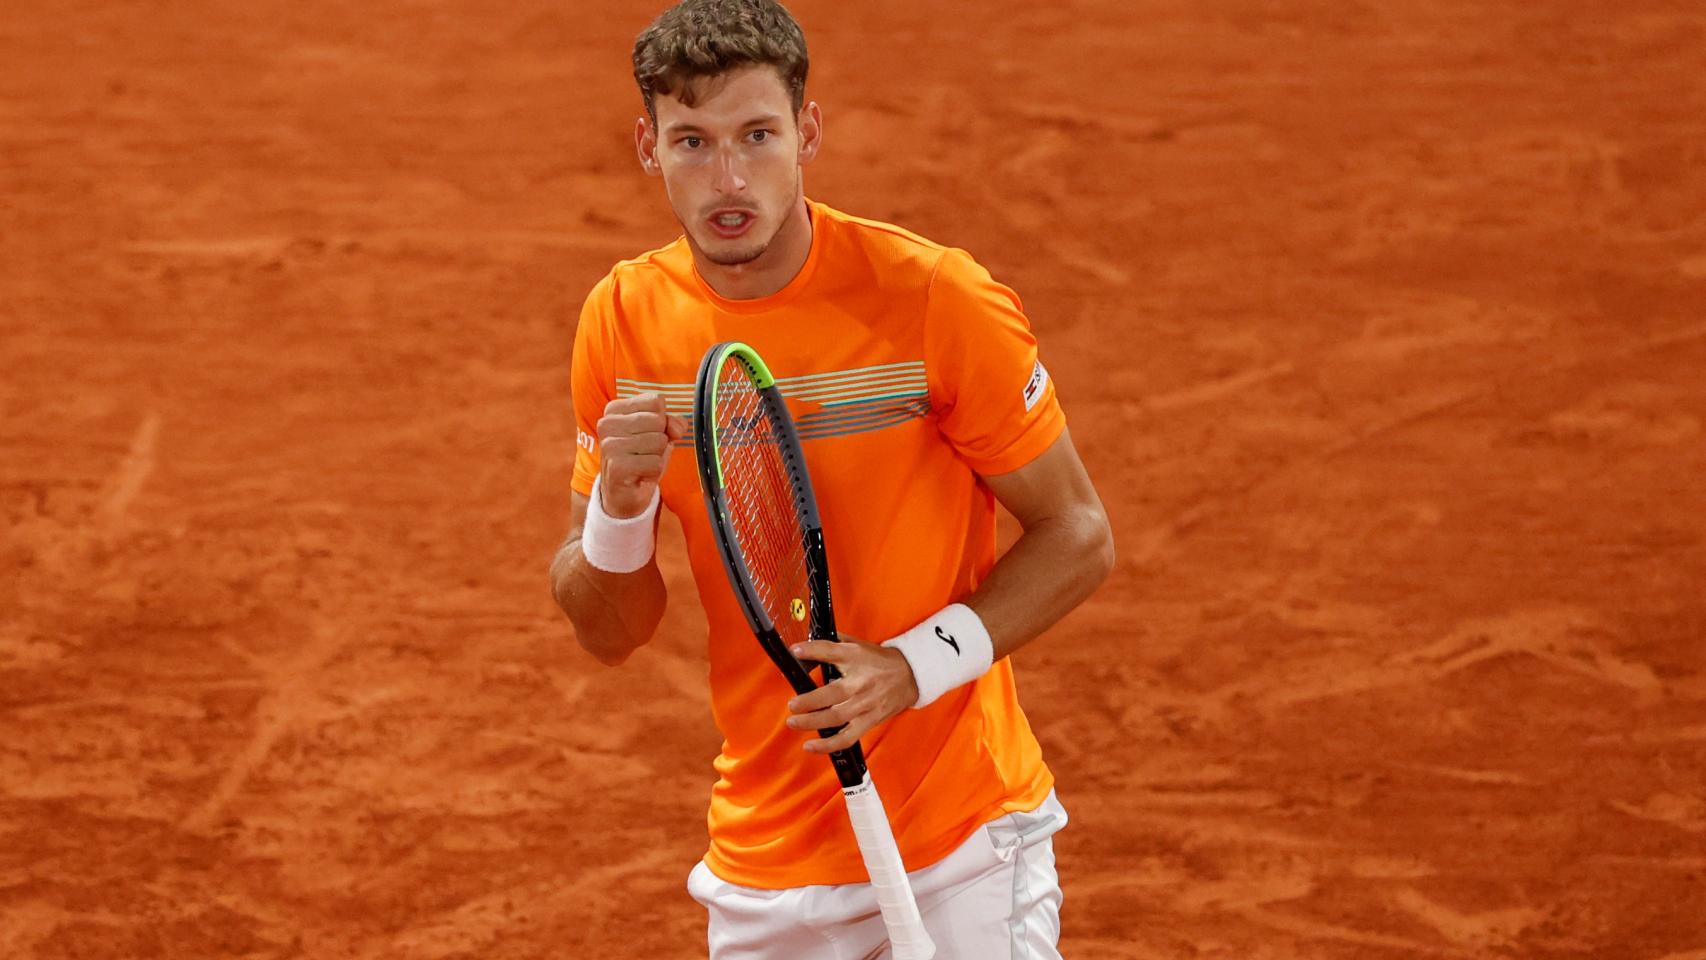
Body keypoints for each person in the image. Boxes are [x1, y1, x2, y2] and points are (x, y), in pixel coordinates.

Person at [549, 1, 1114, 955]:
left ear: (808, 132)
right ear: (647, 146)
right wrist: (617, 509)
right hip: (767, 867)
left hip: (960, 842)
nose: (728, 179)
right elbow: (611, 633)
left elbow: (1078, 533)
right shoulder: (623, 323)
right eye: (692, 142)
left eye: (757, 136)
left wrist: (908, 669)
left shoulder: (935, 298)